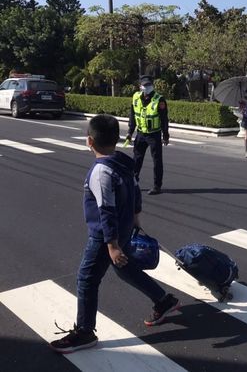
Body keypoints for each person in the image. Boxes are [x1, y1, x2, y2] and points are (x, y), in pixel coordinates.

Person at [50, 115, 179, 354]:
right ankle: (163, 300)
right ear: (117, 139)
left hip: (105, 236)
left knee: (87, 279)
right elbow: (135, 189)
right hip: (125, 227)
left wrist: (112, 245)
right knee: (124, 269)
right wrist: (136, 215)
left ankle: (85, 332)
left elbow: (106, 211)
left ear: (89, 141)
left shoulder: (101, 171)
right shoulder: (123, 162)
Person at [125, 75, 169, 195]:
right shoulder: (135, 98)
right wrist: (130, 132)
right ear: (140, 86)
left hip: (154, 135)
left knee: (157, 161)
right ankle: (134, 181)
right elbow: (133, 116)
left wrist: (165, 135)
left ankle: (157, 186)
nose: (147, 87)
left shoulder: (159, 100)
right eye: (145, 85)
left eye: (149, 85)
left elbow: (164, 119)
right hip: (140, 134)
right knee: (136, 159)